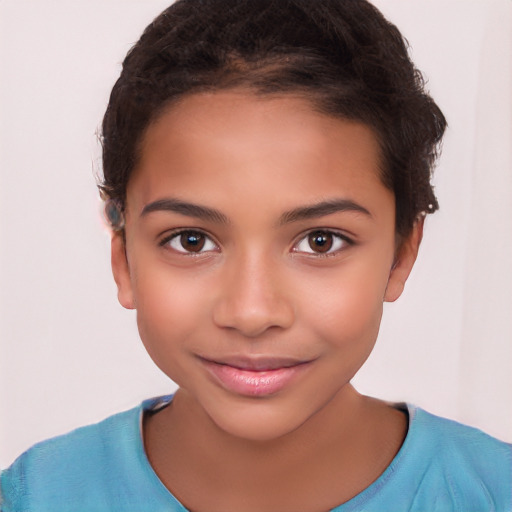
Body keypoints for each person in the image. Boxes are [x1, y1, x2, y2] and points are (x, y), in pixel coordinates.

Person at [1, 0, 510, 510]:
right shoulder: (36, 496)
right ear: (124, 258)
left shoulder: (491, 491)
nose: (251, 313)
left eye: (320, 241)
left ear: (402, 252)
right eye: (191, 240)